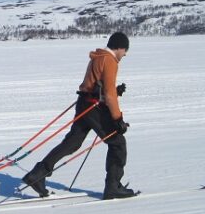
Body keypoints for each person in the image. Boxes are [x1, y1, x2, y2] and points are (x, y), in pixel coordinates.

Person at [22, 31, 136, 200]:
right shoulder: (110, 61)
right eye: (125, 50)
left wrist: (113, 92)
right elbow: (109, 95)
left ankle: (37, 174)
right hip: (93, 108)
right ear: (119, 47)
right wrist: (118, 119)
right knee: (118, 143)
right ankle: (113, 187)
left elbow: (99, 87)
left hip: (84, 103)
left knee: (72, 143)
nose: (125, 54)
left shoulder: (98, 57)